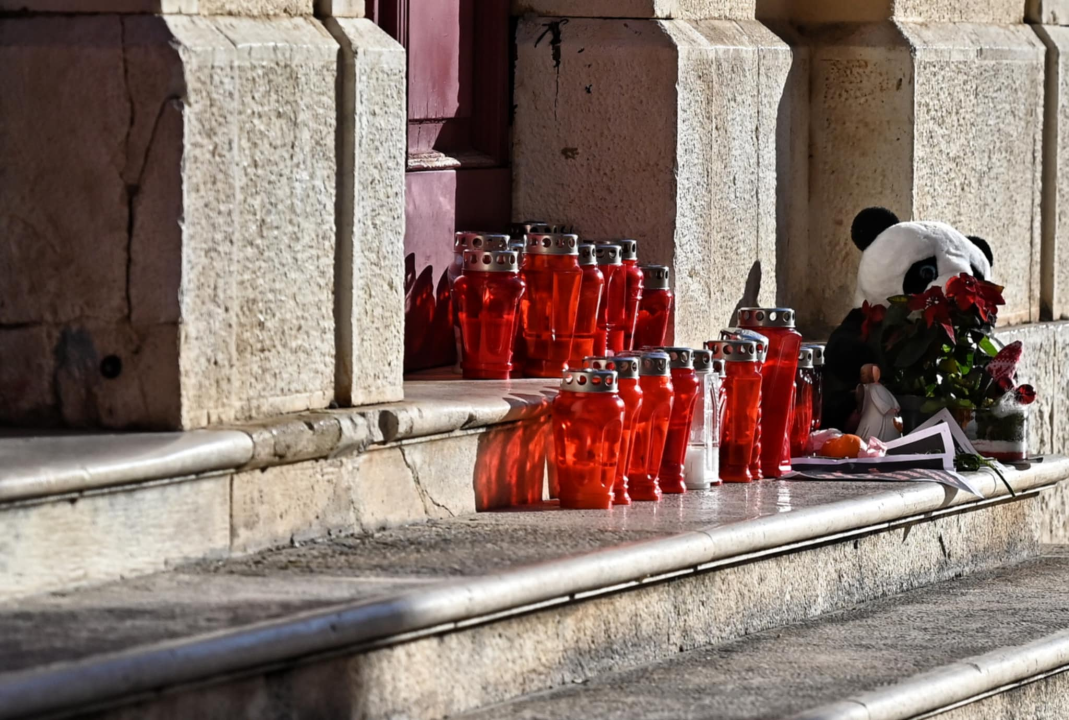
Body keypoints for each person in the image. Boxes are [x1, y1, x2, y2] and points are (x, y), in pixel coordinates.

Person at [856, 364, 902, 442]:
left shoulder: (880, 387)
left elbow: (890, 396)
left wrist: (896, 405)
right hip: (880, 416)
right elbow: (878, 402)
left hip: (890, 416)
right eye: (875, 371)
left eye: (878, 370)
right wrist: (888, 409)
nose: (878, 372)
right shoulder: (872, 388)